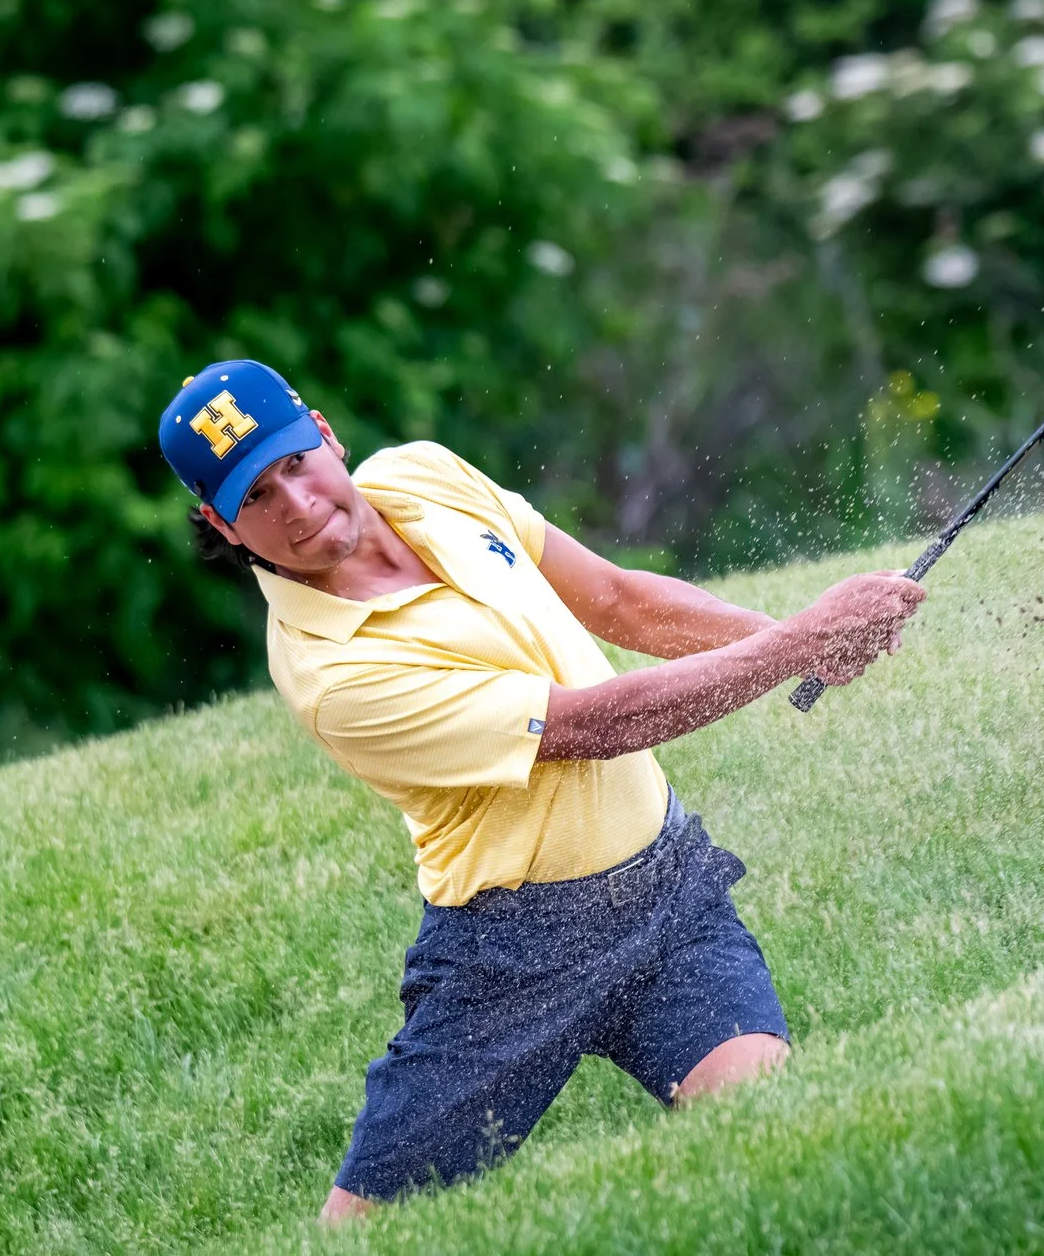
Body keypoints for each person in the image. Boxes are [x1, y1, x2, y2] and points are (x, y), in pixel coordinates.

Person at [157, 360, 923, 1222]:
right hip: (510, 953)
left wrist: (800, 642)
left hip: (665, 892)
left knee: (779, 1144)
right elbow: (595, 726)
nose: (295, 505)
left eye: (295, 463)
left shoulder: (424, 475)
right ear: (224, 523)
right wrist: (801, 642)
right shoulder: (330, 675)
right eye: (256, 496)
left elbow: (617, 598)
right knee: (368, 1235)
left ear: (327, 435)